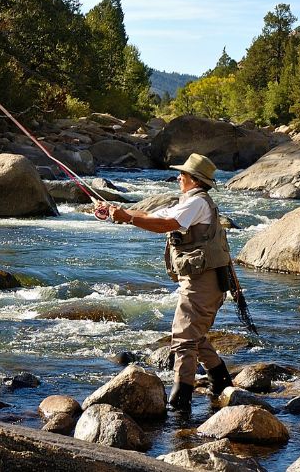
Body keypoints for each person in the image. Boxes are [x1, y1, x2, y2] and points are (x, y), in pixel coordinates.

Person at [108, 153, 233, 413]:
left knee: (183, 338)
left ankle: (180, 403)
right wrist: (116, 213)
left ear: (195, 180)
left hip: (203, 282)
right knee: (193, 335)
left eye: (183, 175)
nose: (178, 177)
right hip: (201, 280)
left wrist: (128, 219)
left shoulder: (196, 203)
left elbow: (166, 224)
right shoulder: (189, 201)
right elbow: (152, 214)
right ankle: (221, 383)